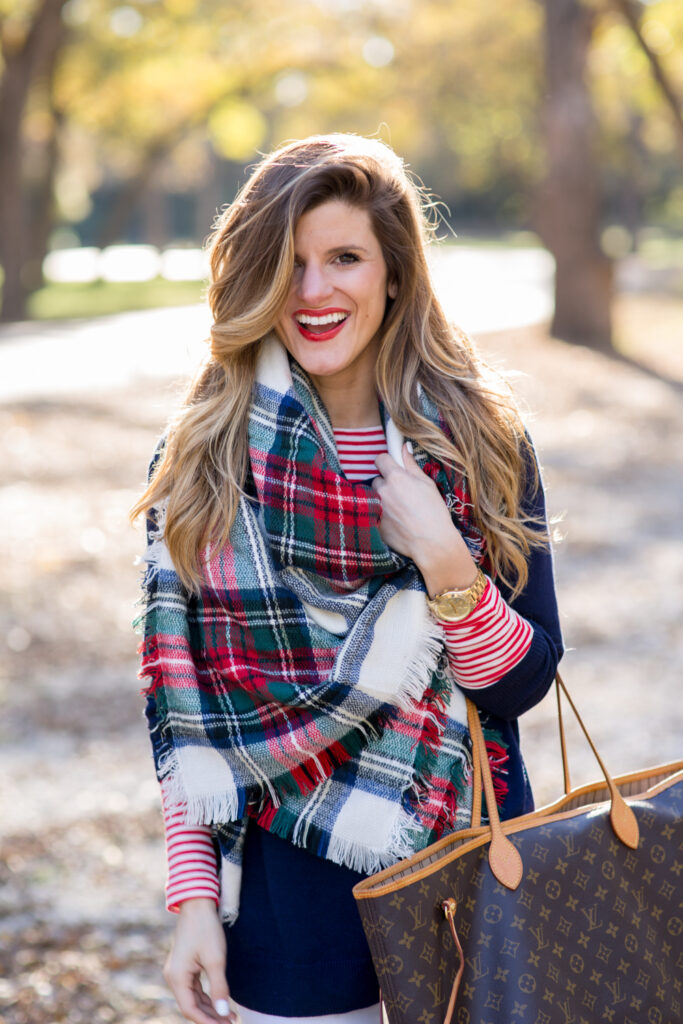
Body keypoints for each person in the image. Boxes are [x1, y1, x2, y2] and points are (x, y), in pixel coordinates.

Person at [131, 133, 563, 1024]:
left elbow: (519, 686)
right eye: (286, 264)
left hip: (468, 877)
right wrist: (194, 905)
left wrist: (445, 557)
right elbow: (187, 715)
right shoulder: (204, 461)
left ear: (394, 273)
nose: (313, 291)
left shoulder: (479, 445)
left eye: (344, 259)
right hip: (288, 918)